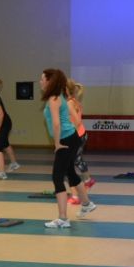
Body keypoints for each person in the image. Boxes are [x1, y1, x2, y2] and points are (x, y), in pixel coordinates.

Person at [40, 69, 96, 228]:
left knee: (57, 177)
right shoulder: (60, 97)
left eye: (42, 79)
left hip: (65, 140)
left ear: (50, 81)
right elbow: (75, 121)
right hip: (71, 138)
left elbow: (56, 124)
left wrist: (57, 143)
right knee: (70, 172)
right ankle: (86, 204)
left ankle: (63, 218)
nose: (40, 82)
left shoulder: (54, 98)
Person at [66, 80, 95, 205]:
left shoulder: (69, 103)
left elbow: (77, 122)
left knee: (68, 166)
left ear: (65, 90)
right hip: (82, 134)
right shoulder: (74, 100)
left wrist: (68, 134)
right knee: (77, 160)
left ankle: (75, 196)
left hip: (76, 136)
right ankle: (88, 180)